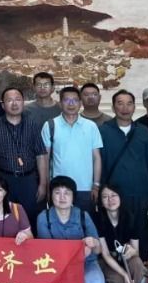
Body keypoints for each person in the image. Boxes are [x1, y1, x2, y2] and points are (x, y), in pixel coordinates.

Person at [98, 89, 148, 262]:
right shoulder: (103, 131)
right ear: (113, 107)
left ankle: (141, 267)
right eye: (120, 103)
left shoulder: (143, 131)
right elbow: (99, 162)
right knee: (117, 231)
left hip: (141, 192)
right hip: (115, 194)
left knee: (142, 230)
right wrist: (99, 188)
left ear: (134, 107)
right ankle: (119, 269)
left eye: (129, 103)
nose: (125, 108)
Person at [36, 176, 105, 283]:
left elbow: (98, 250)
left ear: (73, 197)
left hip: (85, 263)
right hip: (56, 265)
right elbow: (47, 251)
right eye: (57, 193)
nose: (62, 197)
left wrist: (94, 243)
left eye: (67, 193)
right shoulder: (43, 218)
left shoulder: (83, 216)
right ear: (51, 196)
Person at [0, 88, 48, 228]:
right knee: (4, 219)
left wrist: (43, 184)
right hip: (3, 181)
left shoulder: (33, 125)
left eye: (18, 99)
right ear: (3, 105)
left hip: (28, 180)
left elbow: (41, 155)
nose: (14, 104)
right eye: (9, 100)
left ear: (23, 102)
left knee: (30, 218)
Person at [43, 86, 103, 214]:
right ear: (60, 103)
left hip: (85, 188)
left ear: (80, 103)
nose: (71, 104)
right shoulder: (50, 125)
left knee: (85, 222)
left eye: (75, 100)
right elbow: (45, 159)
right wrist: (46, 185)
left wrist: (96, 185)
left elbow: (96, 157)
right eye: (66, 100)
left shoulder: (91, 126)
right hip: (59, 188)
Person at [94, 184, 146, 283]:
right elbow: (106, 255)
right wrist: (124, 274)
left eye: (114, 195)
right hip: (107, 261)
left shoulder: (131, 217)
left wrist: (131, 251)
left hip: (125, 259)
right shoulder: (98, 219)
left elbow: (136, 251)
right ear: (101, 202)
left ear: (121, 197)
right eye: (105, 197)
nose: (110, 200)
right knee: (119, 281)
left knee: (138, 263)